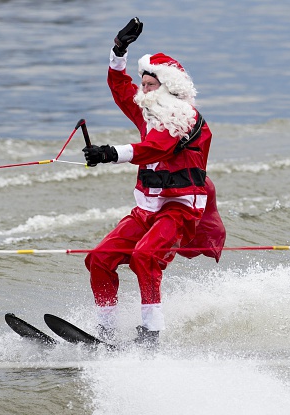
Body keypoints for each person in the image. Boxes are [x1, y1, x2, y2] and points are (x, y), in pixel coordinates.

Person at [82, 17, 226, 347]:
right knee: (99, 259)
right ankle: (104, 333)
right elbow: (120, 90)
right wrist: (118, 50)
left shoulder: (185, 118)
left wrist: (108, 153)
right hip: (148, 208)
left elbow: (154, 148)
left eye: (149, 85)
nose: (143, 91)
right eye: (143, 84)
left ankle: (150, 335)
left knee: (144, 256)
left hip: (180, 210)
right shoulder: (149, 111)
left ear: (167, 87)